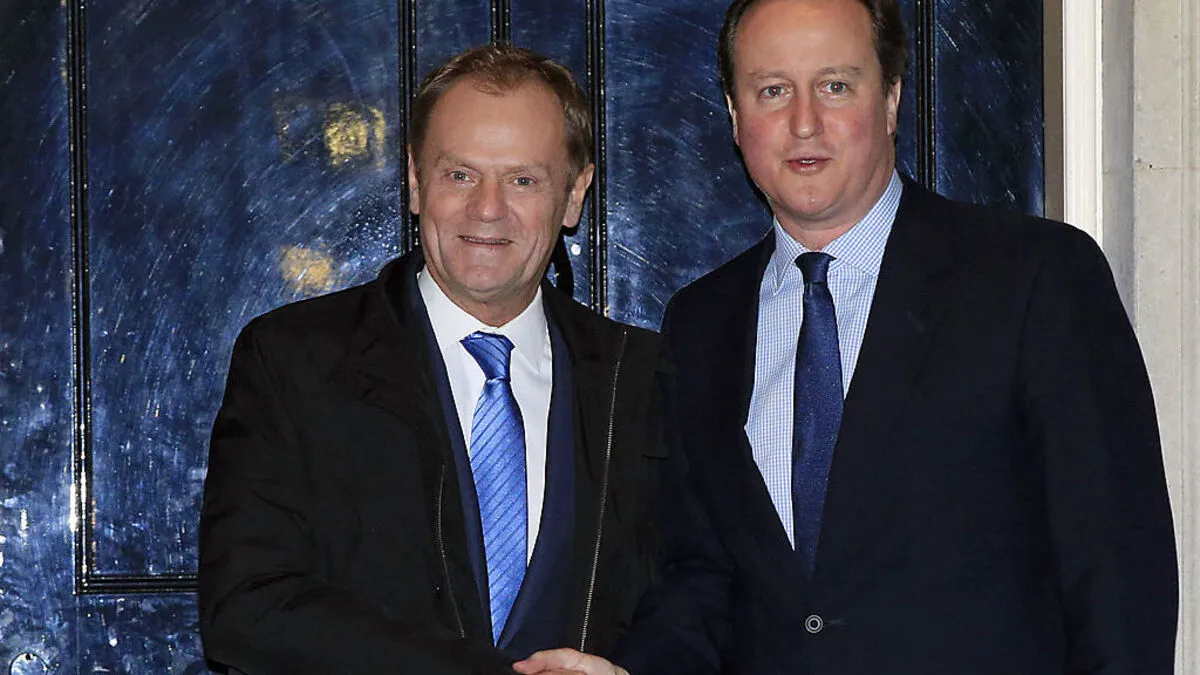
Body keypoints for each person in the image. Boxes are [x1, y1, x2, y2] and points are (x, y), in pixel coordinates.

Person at [515, 0, 1178, 673]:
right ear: (735, 115)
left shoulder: (1034, 279)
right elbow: (704, 580)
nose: (804, 122)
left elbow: (1118, 573)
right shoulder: (701, 322)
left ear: (890, 100)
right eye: (773, 90)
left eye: (835, 85)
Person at [198, 44, 663, 674]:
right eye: (460, 175)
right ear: (417, 182)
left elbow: (695, 589)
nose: (487, 208)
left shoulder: (641, 378)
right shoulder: (293, 361)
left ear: (574, 194)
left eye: (523, 180)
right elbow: (248, 607)